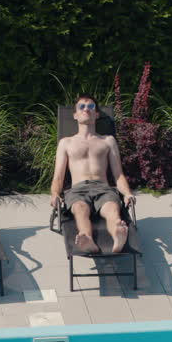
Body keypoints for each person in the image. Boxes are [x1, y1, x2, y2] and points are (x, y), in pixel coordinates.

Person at [50, 95, 137, 254]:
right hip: (77, 190)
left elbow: (118, 174)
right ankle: (87, 238)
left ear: (96, 114)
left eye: (91, 107)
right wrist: (55, 194)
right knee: (80, 208)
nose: (86, 109)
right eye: (81, 107)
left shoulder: (108, 140)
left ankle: (118, 235)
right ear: (75, 115)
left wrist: (127, 193)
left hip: (103, 188)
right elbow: (58, 176)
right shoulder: (66, 143)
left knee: (112, 208)